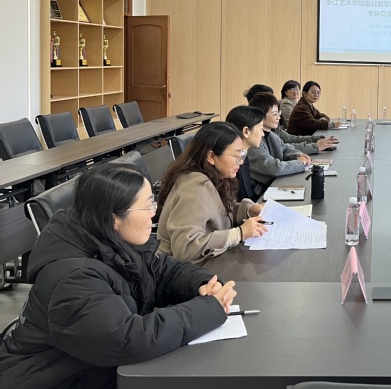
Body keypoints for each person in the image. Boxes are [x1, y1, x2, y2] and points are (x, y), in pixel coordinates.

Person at [0, 164, 236, 388]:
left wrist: (201, 284)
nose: (154, 214)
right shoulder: (72, 279)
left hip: (91, 371)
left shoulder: (109, 238)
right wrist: (208, 309)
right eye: (147, 206)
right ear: (114, 218)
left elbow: (160, 271)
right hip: (55, 381)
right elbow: (128, 339)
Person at [157, 122, 267, 265]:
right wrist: (239, 233)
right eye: (236, 155)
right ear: (211, 156)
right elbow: (185, 249)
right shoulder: (195, 187)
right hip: (181, 271)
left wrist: (248, 210)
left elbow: (217, 212)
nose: (240, 162)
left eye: (242, 154)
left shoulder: (213, 176)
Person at [248, 92, 312, 188]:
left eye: (279, 112)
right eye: (275, 114)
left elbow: (286, 149)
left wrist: (298, 155)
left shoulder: (271, 135)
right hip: (262, 191)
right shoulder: (253, 141)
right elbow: (273, 168)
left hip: (276, 184)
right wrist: (300, 163)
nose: (279, 117)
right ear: (260, 116)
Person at [248, 90, 336, 154]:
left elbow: (287, 144)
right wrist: (315, 146)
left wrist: (317, 140)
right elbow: (275, 162)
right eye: (313, 92)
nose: (278, 117)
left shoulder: (270, 132)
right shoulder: (257, 138)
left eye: (318, 92)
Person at [225, 105, 266, 201]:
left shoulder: (245, 156)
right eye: (261, 129)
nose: (263, 134)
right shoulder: (230, 164)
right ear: (246, 131)